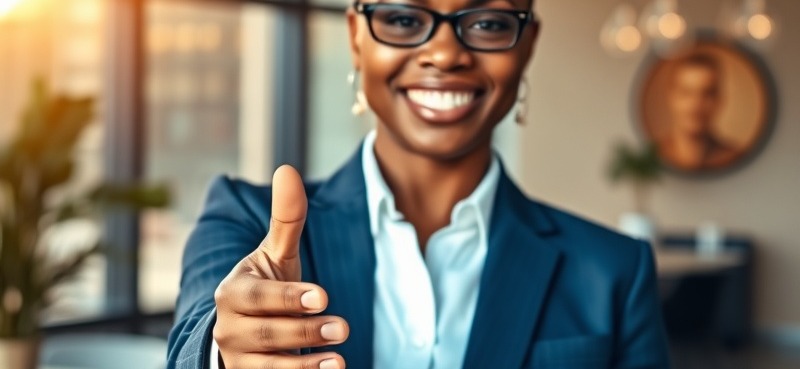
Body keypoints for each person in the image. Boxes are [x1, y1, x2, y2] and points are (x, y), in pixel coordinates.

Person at [168, 0, 671, 368]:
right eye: (405, 19)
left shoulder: (614, 272)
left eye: (490, 23)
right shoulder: (243, 218)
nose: (445, 53)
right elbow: (193, 345)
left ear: (527, 46)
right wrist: (225, 351)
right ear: (356, 38)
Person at [659, 53, 741, 171]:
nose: (696, 104)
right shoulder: (652, 158)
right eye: (686, 93)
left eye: (707, 94)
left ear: (719, 100)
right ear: (671, 97)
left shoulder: (735, 158)